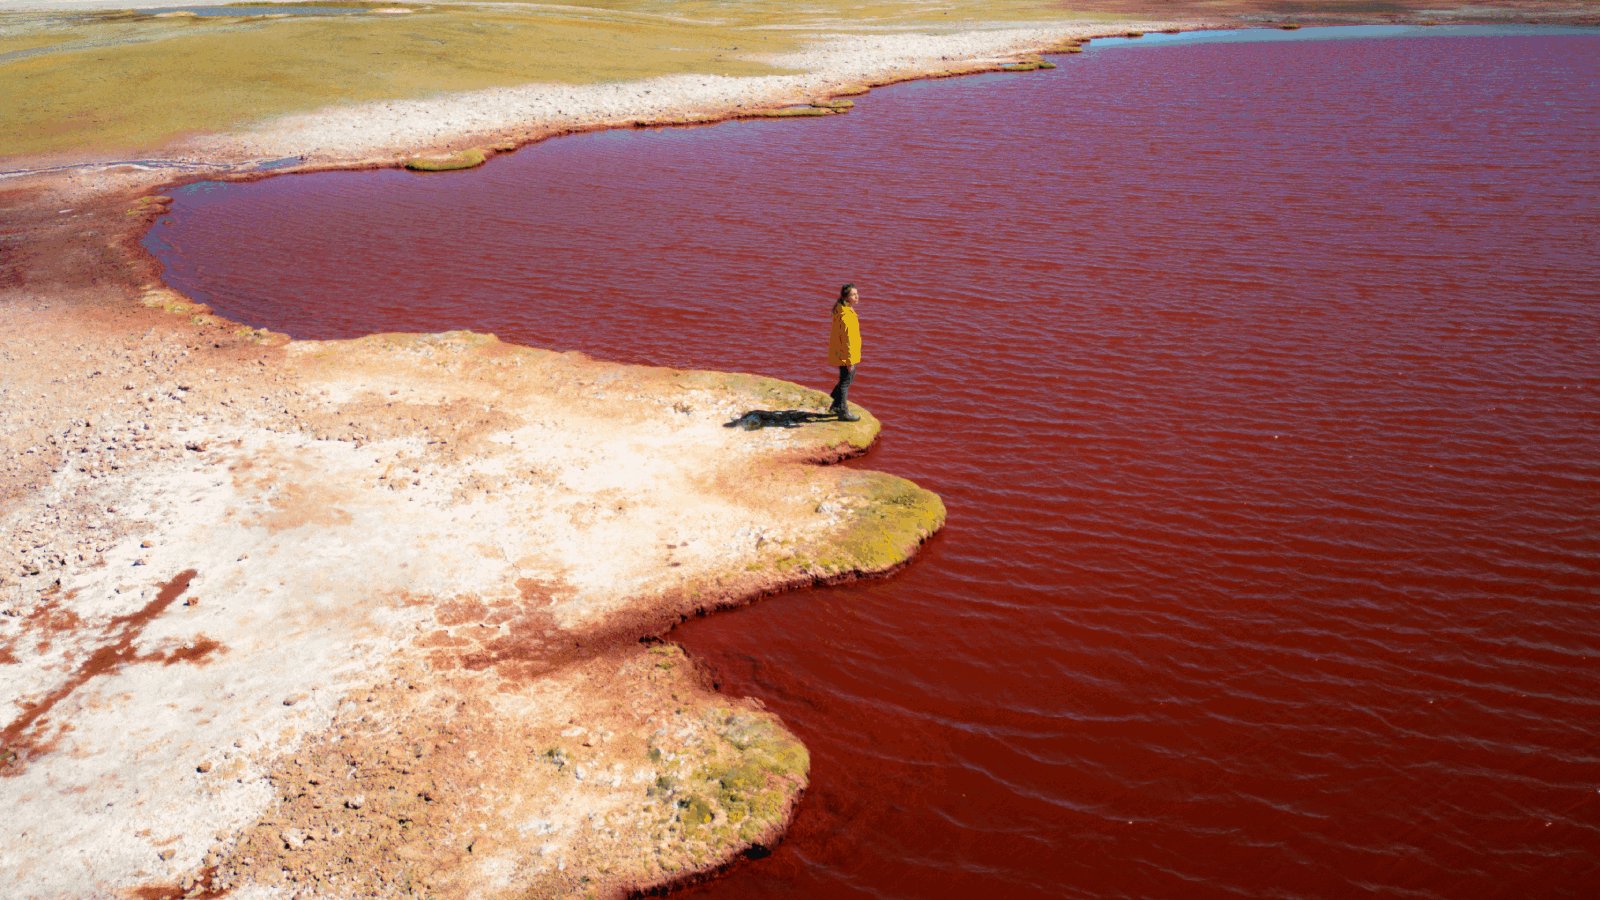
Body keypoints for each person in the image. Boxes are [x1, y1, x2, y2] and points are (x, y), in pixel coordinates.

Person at [828, 283, 862, 421]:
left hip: (841, 352)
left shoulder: (842, 309)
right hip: (845, 354)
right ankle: (842, 411)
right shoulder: (846, 315)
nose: (857, 296)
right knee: (845, 382)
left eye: (857, 293)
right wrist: (850, 360)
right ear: (846, 297)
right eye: (853, 294)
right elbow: (848, 340)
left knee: (846, 379)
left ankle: (836, 405)